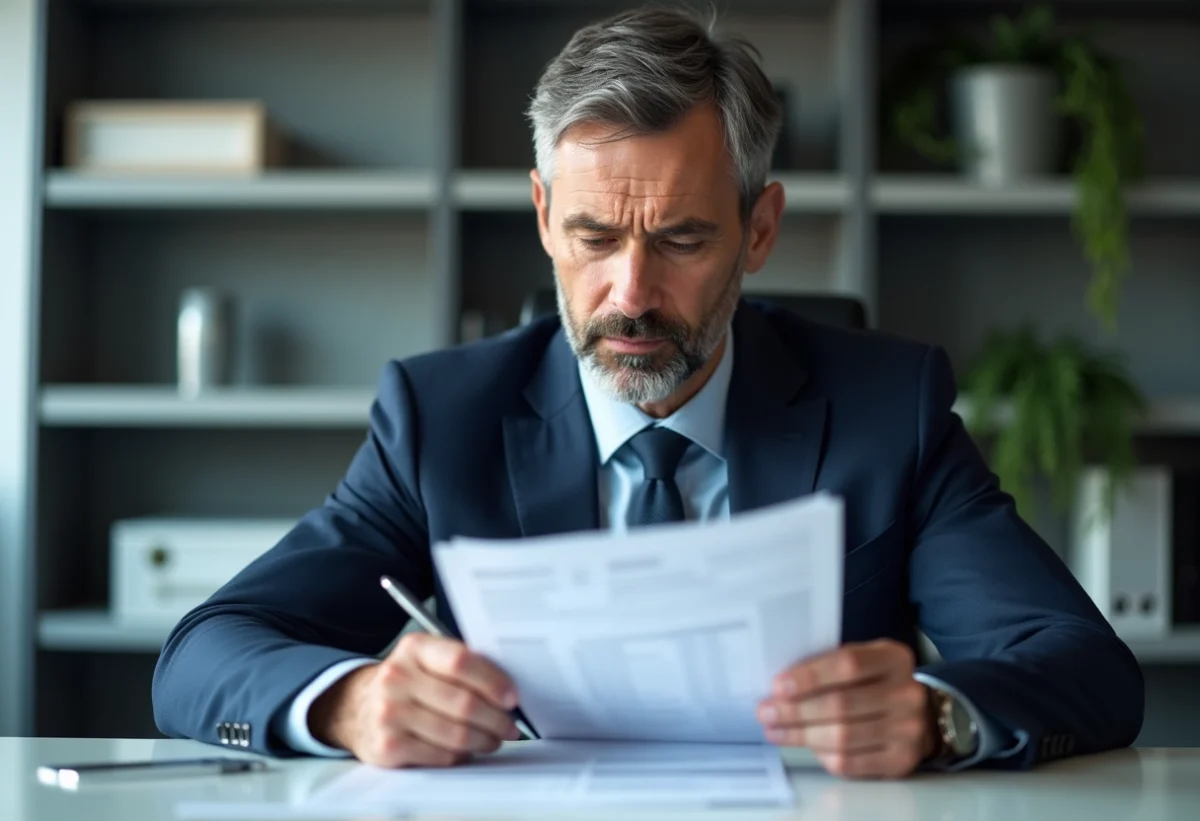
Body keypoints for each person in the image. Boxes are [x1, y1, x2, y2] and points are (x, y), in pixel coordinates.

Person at [152, 5, 1143, 779]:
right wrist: (348, 702)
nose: (630, 294)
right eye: (592, 237)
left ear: (759, 230)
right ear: (543, 216)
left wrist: (940, 712)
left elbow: (1082, 665)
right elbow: (205, 652)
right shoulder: (438, 420)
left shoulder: (892, 410)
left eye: (680, 238)